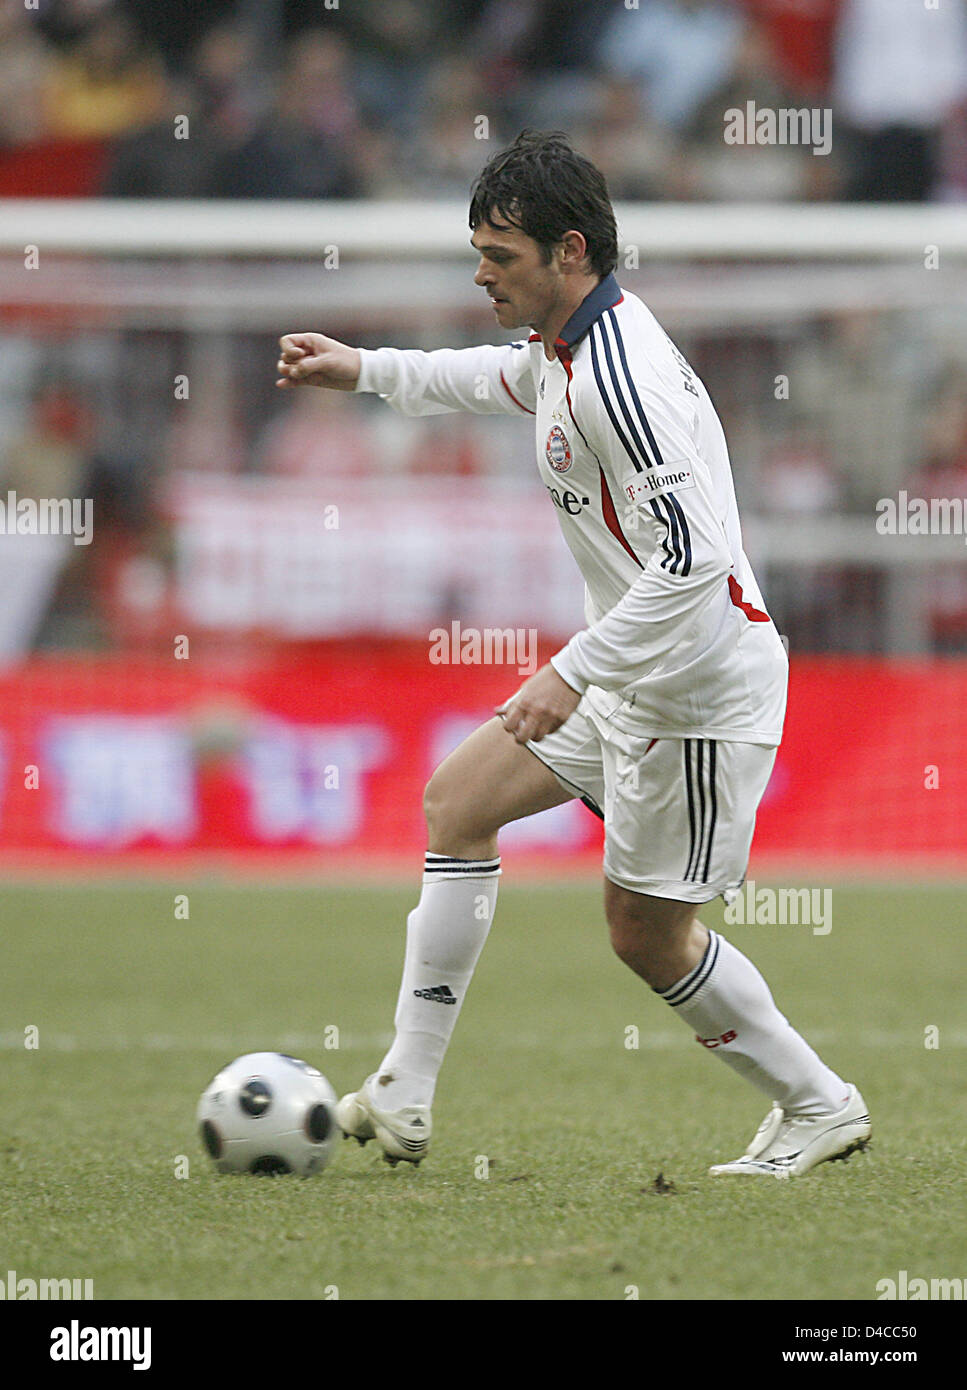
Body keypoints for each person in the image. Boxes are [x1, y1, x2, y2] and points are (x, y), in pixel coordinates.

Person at [275, 131, 870, 1178]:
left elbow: (692, 560)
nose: (480, 273)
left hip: (696, 685)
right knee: (458, 802)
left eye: (500, 255)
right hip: (632, 671)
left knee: (645, 936)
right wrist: (364, 368)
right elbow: (486, 381)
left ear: (569, 250)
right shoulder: (564, 352)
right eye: (479, 251)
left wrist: (569, 670)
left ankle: (819, 1102)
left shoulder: (619, 380)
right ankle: (406, 1093)